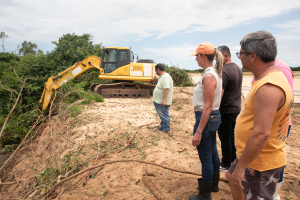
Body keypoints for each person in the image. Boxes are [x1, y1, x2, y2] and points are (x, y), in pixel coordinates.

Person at [226, 31, 294, 200]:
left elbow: (261, 134)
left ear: (253, 56)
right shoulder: (267, 79)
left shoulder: (268, 87)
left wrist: (241, 168)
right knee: (231, 177)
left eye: (241, 54)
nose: (239, 58)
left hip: (259, 162)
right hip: (251, 156)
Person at [251, 58, 294, 200]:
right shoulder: (262, 70)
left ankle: (273, 194)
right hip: (264, 124)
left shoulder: (279, 69)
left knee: (271, 158)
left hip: (273, 125)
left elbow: (280, 99)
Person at [189, 42, 224, 200]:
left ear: (203, 56)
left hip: (206, 117)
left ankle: (204, 195)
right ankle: (213, 185)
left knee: (206, 157)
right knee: (212, 153)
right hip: (212, 117)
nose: (195, 59)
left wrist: (198, 131)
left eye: (197, 56)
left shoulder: (209, 76)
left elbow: (208, 106)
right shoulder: (213, 73)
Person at [216, 45, 243, 172]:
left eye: (218, 56)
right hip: (236, 108)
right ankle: (233, 159)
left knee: (225, 137)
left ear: (226, 55)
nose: (216, 59)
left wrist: (214, 108)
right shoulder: (237, 68)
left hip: (226, 109)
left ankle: (226, 163)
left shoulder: (224, 70)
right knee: (231, 136)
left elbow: (220, 93)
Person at [152, 63, 173, 133]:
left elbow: (166, 89)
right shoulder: (163, 76)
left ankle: (166, 128)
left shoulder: (166, 77)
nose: (155, 72)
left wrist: (164, 100)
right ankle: (163, 127)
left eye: (155, 70)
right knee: (162, 115)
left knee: (164, 115)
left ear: (158, 69)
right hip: (159, 101)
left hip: (162, 101)